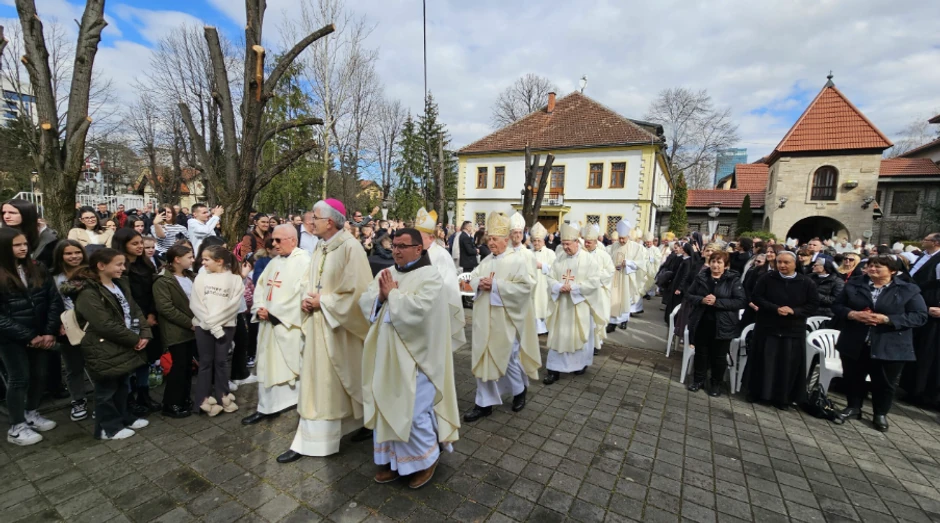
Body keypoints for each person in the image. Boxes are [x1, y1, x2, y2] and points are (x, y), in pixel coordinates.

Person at [359, 227, 460, 488]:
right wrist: (380, 298)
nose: (396, 250)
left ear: (419, 249)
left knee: (413, 412)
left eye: (403, 246)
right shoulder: (388, 273)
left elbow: (421, 312)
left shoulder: (431, 277)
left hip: (417, 357)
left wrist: (392, 295)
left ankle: (426, 459)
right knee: (386, 404)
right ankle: (394, 461)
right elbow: (365, 300)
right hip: (387, 354)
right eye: (394, 245)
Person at [278, 199, 372, 463]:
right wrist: (306, 300)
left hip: (340, 328)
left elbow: (360, 292)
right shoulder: (320, 246)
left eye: (315, 219)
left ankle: (363, 423)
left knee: (339, 380)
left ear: (329, 222)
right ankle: (311, 439)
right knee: (318, 383)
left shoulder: (351, 248)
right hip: (319, 324)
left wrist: (325, 302)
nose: (310, 223)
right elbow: (309, 281)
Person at [833, 255, 927, 431]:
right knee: (853, 377)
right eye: (870, 266)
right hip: (855, 340)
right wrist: (853, 314)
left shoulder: (908, 289)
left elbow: (919, 316)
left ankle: (880, 413)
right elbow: (837, 306)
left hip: (890, 344)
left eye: (878, 267)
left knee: (884, 383)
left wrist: (887, 319)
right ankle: (853, 407)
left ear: (892, 271)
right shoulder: (855, 284)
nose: (872, 269)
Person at [464, 212, 540, 421]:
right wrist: (480, 283)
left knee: (507, 361)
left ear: (505, 240)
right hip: (483, 319)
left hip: (506, 321)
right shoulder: (487, 260)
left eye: (494, 239)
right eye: (489, 238)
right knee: (483, 359)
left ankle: (519, 391)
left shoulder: (518, 261)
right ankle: (484, 403)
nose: (490, 242)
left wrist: (496, 286)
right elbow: (475, 278)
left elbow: (525, 288)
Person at [75, 248, 152, 440]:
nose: (123, 268)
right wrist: (134, 339)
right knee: (107, 388)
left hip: (124, 342)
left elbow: (134, 310)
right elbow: (104, 324)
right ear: (101, 266)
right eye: (118, 264)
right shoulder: (88, 292)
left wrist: (144, 333)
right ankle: (107, 427)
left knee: (123, 383)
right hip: (103, 346)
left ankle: (124, 417)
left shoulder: (119, 284)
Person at [242, 224, 311, 425]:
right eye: (273, 240)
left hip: (287, 325)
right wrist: (260, 307)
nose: (274, 244)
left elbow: (303, 295)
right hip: (267, 324)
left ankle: (291, 401)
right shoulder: (274, 262)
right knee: (267, 365)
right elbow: (260, 287)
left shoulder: (304, 262)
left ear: (293, 240)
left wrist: (274, 313)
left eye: (279, 240)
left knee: (287, 365)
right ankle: (267, 406)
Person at [0, 228, 63, 446]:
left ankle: (31, 413)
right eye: (16, 245)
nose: (23, 248)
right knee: (19, 378)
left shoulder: (37, 268)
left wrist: (48, 331)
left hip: (41, 334)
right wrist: (27, 336)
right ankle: (16, 427)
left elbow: (53, 299)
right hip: (12, 339)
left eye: (24, 244)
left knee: (39, 375)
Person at [746, 251, 819, 409]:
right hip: (768, 326)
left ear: (795, 264)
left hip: (792, 330)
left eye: (786, 262)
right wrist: (775, 308)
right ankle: (760, 393)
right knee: (764, 361)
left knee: (787, 365)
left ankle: (782, 398)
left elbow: (813, 305)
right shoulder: (767, 278)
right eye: (779, 262)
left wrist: (794, 311)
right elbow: (756, 297)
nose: (782, 265)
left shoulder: (807, 282)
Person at [543, 223, 606, 385]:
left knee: (578, 334)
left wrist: (575, 288)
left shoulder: (589, 260)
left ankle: (580, 365)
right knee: (558, 336)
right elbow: (550, 278)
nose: (564, 247)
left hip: (579, 306)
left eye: (567, 244)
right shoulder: (559, 259)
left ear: (577, 242)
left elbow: (595, 281)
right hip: (561, 307)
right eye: (563, 244)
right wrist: (557, 286)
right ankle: (553, 370)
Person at [112, 228, 162, 416]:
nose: (140, 247)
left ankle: (144, 394)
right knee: (132, 360)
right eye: (135, 244)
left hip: (149, 316)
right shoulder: (120, 268)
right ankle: (129, 398)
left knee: (146, 358)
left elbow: (151, 291)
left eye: (141, 242)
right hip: (130, 319)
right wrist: (142, 318)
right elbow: (127, 299)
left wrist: (151, 313)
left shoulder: (146, 265)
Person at [191, 245, 244, 417]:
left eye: (206, 259)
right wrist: (211, 326)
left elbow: (232, 307)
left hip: (225, 326)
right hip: (203, 327)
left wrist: (214, 324)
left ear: (219, 261)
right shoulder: (201, 277)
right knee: (205, 363)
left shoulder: (235, 280)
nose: (202, 262)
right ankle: (202, 400)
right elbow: (195, 304)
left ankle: (223, 395)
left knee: (221, 362)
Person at [684, 251, 746, 396]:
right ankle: (698, 380)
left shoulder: (732, 280)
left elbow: (740, 301)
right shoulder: (702, 277)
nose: (715, 265)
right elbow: (689, 294)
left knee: (719, 356)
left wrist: (717, 302)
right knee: (701, 353)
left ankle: (716, 383)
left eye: (719, 262)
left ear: (726, 265)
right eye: (713, 261)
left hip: (723, 324)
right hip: (702, 321)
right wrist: (701, 300)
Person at [152, 244, 197, 418]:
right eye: (189, 257)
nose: (192, 260)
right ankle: (171, 403)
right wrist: (189, 323)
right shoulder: (163, 280)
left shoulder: (190, 276)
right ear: (177, 259)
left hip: (192, 327)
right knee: (178, 366)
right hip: (177, 330)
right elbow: (166, 308)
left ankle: (183, 398)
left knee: (187, 366)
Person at [51, 240, 91, 421]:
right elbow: (51, 303)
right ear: (60, 256)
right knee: (73, 366)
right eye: (68, 253)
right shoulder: (53, 277)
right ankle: (78, 399)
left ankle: (103, 397)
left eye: (77, 252)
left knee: (96, 362)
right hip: (66, 325)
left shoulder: (90, 273)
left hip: (92, 323)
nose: (74, 256)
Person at [415, 208, 466, 348]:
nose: (415, 240)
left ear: (431, 238)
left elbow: (447, 285)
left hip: (435, 310)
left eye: (419, 237)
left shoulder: (441, 255)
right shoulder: (415, 252)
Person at [581, 225, 614, 354]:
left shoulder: (603, 255)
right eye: (585, 241)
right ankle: (585, 342)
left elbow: (610, 271)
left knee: (596, 317)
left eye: (589, 242)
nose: (586, 244)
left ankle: (596, 343)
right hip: (584, 293)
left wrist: (595, 277)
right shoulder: (581, 254)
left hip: (599, 292)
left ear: (596, 242)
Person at [3, 198, 57, 269]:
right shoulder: (3, 234)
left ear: (26, 214)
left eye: (12, 213)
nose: (6, 216)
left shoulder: (48, 239)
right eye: (3, 213)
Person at [608, 221, 638, 332]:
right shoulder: (614, 246)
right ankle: (612, 323)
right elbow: (609, 259)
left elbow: (640, 263)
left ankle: (624, 321)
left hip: (626, 277)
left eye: (623, 238)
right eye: (620, 238)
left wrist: (629, 263)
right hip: (615, 276)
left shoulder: (634, 247)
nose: (621, 240)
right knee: (613, 298)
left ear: (628, 236)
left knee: (625, 299)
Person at [529, 222, 556, 334]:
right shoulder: (528, 253)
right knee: (533, 306)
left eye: (539, 240)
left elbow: (555, 270)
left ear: (543, 241)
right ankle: (534, 328)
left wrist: (542, 266)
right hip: (532, 285)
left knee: (543, 304)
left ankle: (545, 328)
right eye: (534, 240)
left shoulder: (550, 253)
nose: (536, 243)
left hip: (544, 285)